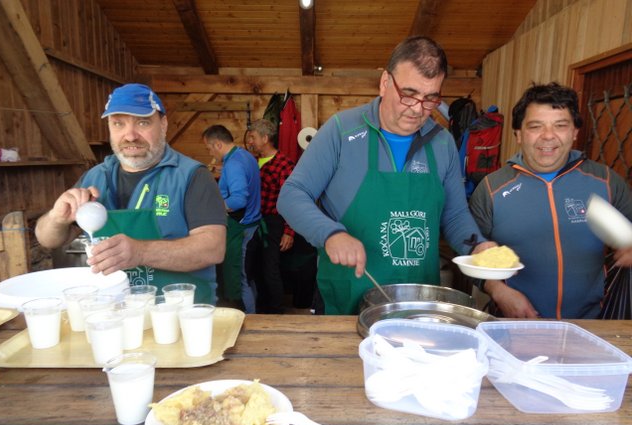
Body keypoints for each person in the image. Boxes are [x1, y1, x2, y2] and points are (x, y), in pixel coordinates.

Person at [277, 36, 494, 315]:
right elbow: (292, 194)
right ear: (384, 82)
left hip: (417, 301)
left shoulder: (443, 143)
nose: (417, 109)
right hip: (346, 300)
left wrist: (478, 246)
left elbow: (454, 216)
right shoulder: (341, 131)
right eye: (409, 94)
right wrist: (330, 233)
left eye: (430, 98)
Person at [35, 83, 227, 304]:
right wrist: (56, 218)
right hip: (113, 314)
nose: (130, 136)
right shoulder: (95, 178)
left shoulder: (191, 176)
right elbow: (47, 239)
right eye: (118, 124)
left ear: (163, 124)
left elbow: (213, 248)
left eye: (143, 122)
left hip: (182, 313)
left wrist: (140, 252)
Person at [469, 82, 632, 319]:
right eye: (536, 126)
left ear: (574, 132)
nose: (548, 136)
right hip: (516, 323)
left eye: (560, 126)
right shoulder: (491, 189)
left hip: (593, 324)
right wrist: (498, 291)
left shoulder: (606, 181)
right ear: (518, 134)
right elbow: (470, 251)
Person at [202, 124, 261, 313]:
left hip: (242, 229)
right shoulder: (244, 156)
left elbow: (238, 200)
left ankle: (251, 320)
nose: (210, 152)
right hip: (252, 226)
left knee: (240, 279)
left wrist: (213, 205)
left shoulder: (234, 164)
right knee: (248, 277)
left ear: (218, 144)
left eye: (209, 148)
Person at [245, 118, 296, 314]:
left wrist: (289, 231)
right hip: (254, 221)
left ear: (265, 138)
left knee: (270, 268)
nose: (250, 141)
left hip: (273, 223)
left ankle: (276, 311)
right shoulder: (252, 162)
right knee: (255, 267)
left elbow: (292, 200)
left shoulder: (284, 164)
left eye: (253, 137)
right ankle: (260, 309)